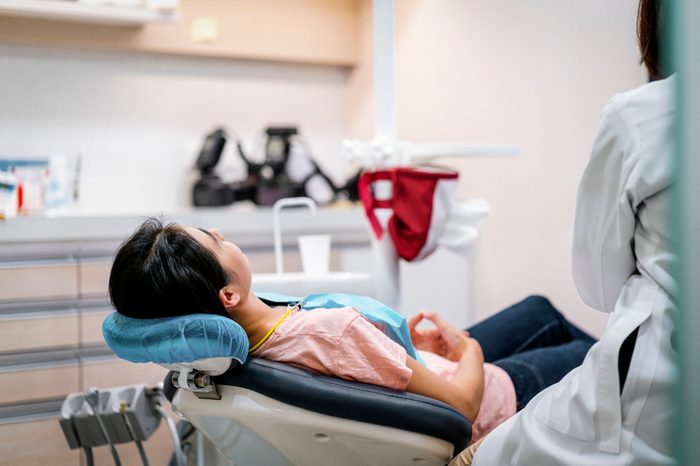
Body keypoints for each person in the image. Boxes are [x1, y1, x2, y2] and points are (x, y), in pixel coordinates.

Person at [109, 218, 594, 442]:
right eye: (216, 241)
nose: (221, 235)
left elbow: (360, 363)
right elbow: (463, 408)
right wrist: (471, 349)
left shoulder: (239, 345)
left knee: (537, 310)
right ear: (227, 296)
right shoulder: (331, 333)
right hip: (485, 400)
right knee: (597, 353)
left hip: (416, 369)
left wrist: (396, 348)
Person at [454, 0, 676, 464]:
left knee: (550, 323)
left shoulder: (645, 115)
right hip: (642, 368)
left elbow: (600, 286)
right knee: (543, 315)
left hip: (645, 393)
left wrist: (465, 353)